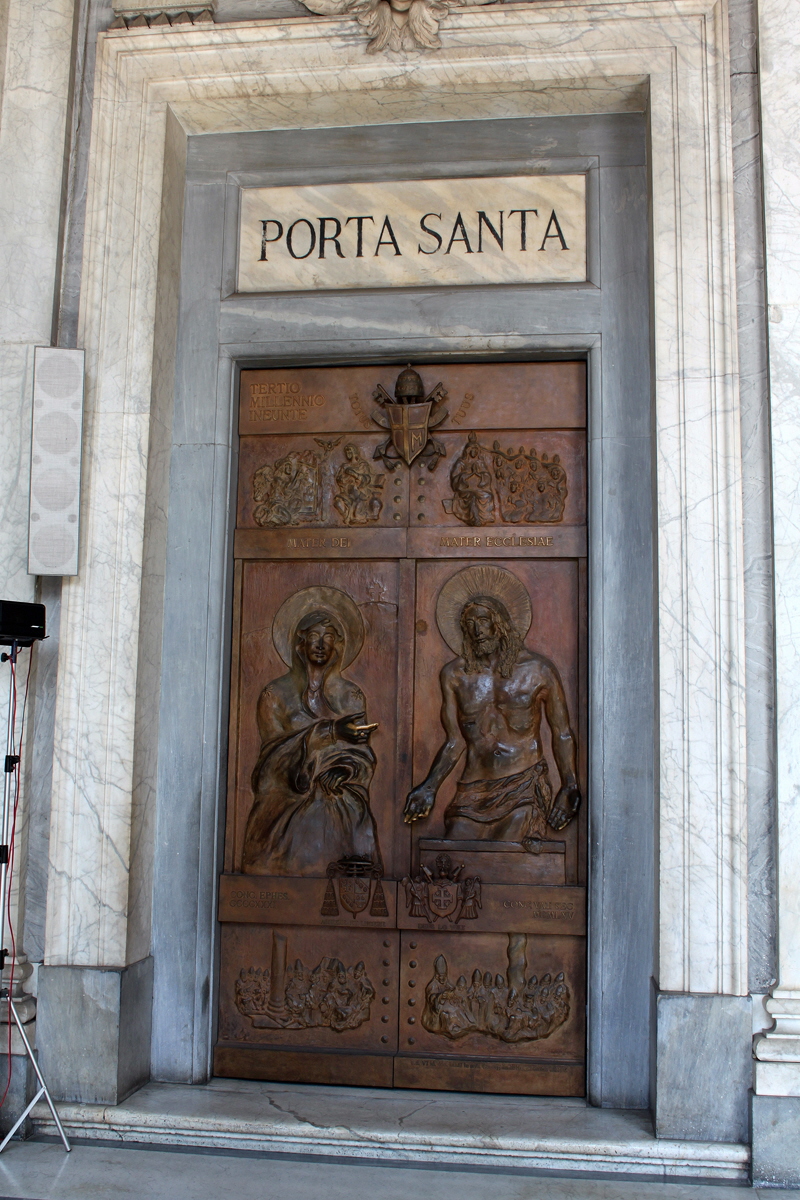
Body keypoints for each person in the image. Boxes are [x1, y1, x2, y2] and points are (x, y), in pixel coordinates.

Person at [404, 592, 580, 843]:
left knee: (506, 851)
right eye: (469, 624)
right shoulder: (454, 675)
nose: (477, 630)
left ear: (501, 623)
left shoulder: (539, 670)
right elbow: (455, 741)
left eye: (484, 620)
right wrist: (429, 787)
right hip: (473, 789)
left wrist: (569, 785)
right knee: (455, 850)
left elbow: (561, 732)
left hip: (523, 785)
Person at [242, 608, 379, 876]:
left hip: (341, 799)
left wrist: (346, 770)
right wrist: (330, 731)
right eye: (314, 636)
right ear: (299, 644)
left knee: (349, 811)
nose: (320, 643)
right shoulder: (275, 695)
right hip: (287, 802)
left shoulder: (351, 695)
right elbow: (272, 762)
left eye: (328, 636)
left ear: (338, 645)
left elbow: (362, 752)